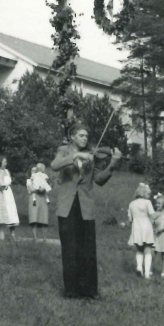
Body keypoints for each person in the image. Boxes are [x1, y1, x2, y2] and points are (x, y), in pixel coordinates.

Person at [50, 123, 123, 299]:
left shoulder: (92, 154)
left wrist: (112, 164)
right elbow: (54, 165)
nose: (85, 139)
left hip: (85, 206)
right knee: (69, 249)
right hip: (67, 206)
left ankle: (90, 292)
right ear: (72, 136)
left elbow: (99, 179)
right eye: (81, 135)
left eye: (86, 136)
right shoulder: (63, 150)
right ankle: (71, 292)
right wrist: (76, 155)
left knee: (87, 251)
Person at [127, 183, 156, 278]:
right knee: (148, 250)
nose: (149, 196)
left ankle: (139, 267)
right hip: (146, 226)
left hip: (136, 227)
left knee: (139, 249)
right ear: (143, 193)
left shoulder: (131, 204)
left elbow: (130, 219)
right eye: (148, 194)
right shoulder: (147, 202)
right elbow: (152, 215)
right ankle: (147, 274)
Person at [27, 163, 51, 241]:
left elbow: (45, 185)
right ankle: (35, 238)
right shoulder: (29, 180)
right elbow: (32, 189)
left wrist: (43, 188)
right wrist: (39, 189)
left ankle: (44, 238)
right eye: (33, 170)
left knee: (44, 217)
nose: (35, 172)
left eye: (36, 170)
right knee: (34, 218)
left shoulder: (42, 177)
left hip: (42, 197)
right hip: (34, 198)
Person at [0, 157, 21, 240]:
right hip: (1, 192)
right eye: (4, 162)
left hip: (8, 193)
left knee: (11, 211)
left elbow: (9, 182)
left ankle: (12, 233)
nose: (5, 163)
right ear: (0, 162)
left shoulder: (7, 171)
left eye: (6, 162)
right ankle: (0, 233)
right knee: (3, 211)